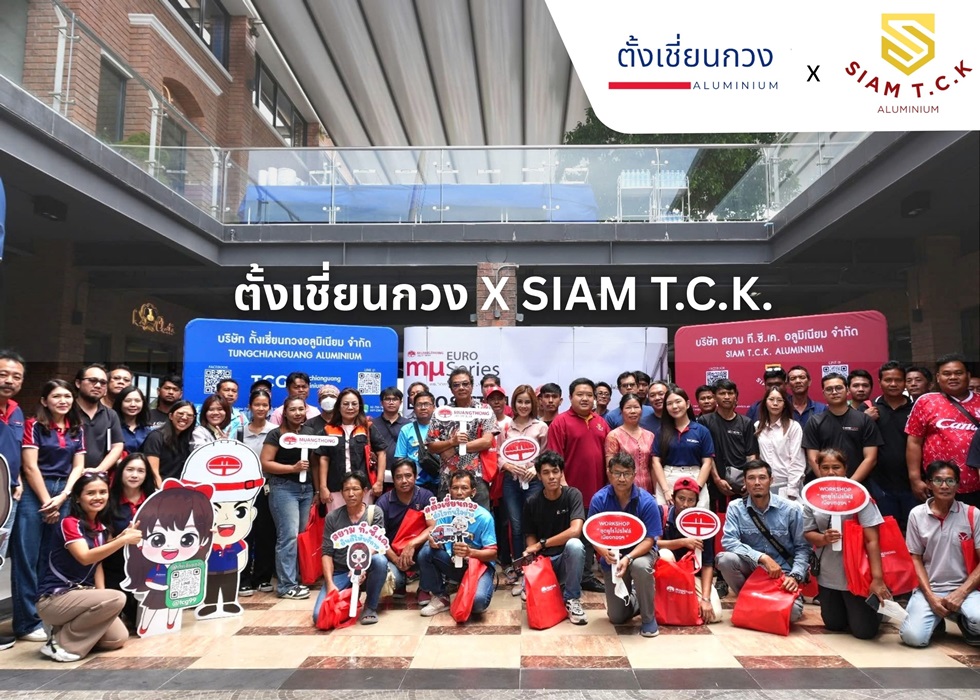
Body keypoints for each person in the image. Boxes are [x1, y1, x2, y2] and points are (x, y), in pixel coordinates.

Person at [35, 472, 143, 662]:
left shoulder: (102, 527)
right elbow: (85, 557)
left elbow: (97, 563)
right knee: (117, 597)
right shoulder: (70, 523)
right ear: (78, 498)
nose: (98, 497)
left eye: (103, 492)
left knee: (117, 638)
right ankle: (58, 643)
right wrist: (122, 540)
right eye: (90, 493)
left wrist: (103, 600)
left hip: (82, 597)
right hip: (54, 599)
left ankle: (64, 632)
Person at [11, 379, 87, 642]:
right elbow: (30, 466)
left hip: (63, 491)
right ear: (44, 400)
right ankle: (26, 622)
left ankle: (45, 615)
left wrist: (64, 496)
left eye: (67, 396)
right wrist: (47, 502)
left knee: (51, 557)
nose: (63, 401)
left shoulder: (77, 428)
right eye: (56, 396)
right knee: (27, 558)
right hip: (35, 492)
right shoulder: (33, 425)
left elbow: (78, 466)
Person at [803, 448, 890, 639]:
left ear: (845, 468)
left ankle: (878, 612)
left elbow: (872, 540)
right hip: (828, 573)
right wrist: (823, 538)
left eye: (836, 467)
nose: (831, 472)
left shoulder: (860, 496)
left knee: (864, 632)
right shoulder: (811, 497)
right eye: (825, 467)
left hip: (857, 573)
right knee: (834, 624)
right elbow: (808, 533)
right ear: (818, 469)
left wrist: (877, 579)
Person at [716, 459, 810, 624]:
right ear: (745, 482)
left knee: (793, 613)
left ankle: (755, 605)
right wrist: (762, 558)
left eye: (762, 477)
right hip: (752, 569)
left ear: (771, 480)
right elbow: (729, 541)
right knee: (725, 559)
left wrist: (795, 576)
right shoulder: (735, 507)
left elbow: (803, 548)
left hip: (782, 573)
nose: (757, 482)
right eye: (751, 478)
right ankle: (750, 599)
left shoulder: (791, 509)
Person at [900, 460, 980, 647]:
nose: (944, 486)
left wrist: (961, 592)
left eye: (950, 481)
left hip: (966, 589)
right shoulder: (917, 515)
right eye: (938, 480)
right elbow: (915, 558)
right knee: (913, 638)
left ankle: (964, 621)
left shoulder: (972, 514)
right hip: (931, 589)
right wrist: (931, 597)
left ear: (958, 485)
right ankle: (936, 619)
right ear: (929, 484)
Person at [122, 483, 214, 635]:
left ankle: (171, 623)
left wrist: (211, 535)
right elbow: (149, 581)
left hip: (175, 595)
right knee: (150, 609)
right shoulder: (156, 567)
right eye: (157, 539)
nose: (170, 547)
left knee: (174, 608)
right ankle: (145, 626)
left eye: (187, 539)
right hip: (156, 593)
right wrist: (162, 587)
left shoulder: (186, 566)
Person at [545, 378, 610, 593]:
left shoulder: (601, 422)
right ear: (570, 397)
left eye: (589, 395)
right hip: (571, 492)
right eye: (580, 394)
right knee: (573, 537)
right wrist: (565, 489)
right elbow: (554, 459)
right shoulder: (560, 422)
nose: (585, 398)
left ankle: (586, 577)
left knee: (591, 534)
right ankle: (567, 578)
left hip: (598, 491)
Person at [588, 452, 662, 637]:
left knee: (640, 566)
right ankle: (637, 597)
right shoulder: (599, 499)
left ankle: (648, 618)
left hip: (640, 553)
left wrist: (628, 557)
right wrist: (604, 552)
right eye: (617, 473)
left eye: (627, 473)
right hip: (612, 558)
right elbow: (592, 534)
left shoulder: (647, 501)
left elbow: (650, 539)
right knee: (617, 617)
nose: (621, 478)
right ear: (609, 473)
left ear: (634, 474)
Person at [416, 470, 497, 617]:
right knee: (426, 551)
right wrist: (434, 540)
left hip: (479, 567)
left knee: (477, 604)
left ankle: (476, 586)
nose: (459, 492)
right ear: (449, 490)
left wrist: (470, 552)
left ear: (473, 492)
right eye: (455, 488)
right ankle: (441, 596)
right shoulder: (444, 513)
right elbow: (437, 536)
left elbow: (492, 554)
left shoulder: (484, 517)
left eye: (464, 488)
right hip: (453, 563)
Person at [314, 471, 389, 625]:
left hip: (366, 568)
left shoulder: (374, 512)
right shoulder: (332, 517)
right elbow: (327, 553)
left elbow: (377, 544)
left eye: (355, 489)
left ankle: (370, 607)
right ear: (341, 493)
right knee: (319, 616)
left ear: (365, 491)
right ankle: (349, 597)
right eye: (347, 490)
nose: (351, 494)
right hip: (341, 571)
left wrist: (362, 566)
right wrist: (330, 584)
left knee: (380, 561)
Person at [522, 450, 588, 625]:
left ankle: (572, 599)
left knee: (575, 545)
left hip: (566, 559)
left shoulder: (573, 495)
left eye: (555, 471)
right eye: (546, 473)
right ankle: (534, 583)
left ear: (561, 473)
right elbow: (530, 535)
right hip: (544, 561)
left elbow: (575, 530)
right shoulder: (531, 502)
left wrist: (541, 544)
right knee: (530, 592)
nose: (551, 477)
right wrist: (533, 557)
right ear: (539, 476)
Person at [906, 354, 980, 507]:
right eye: (947, 373)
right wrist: (915, 479)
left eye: (958, 373)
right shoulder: (926, 402)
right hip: (938, 485)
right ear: (938, 377)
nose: (953, 377)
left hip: (976, 486)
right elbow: (914, 442)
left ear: (968, 375)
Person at [261, 396, 316, 600]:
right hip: (283, 489)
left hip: (307, 489)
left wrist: (317, 490)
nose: (297, 413)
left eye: (301, 409)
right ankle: (286, 586)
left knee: (300, 536)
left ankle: (297, 579)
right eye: (293, 409)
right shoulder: (276, 434)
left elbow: (315, 463)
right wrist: (292, 468)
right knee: (288, 537)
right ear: (284, 412)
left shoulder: (310, 432)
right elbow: (266, 462)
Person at [499, 385, 548, 594]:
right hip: (511, 482)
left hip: (534, 482)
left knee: (533, 525)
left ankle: (534, 569)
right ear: (514, 403)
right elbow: (497, 454)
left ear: (533, 404)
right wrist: (508, 466)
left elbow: (545, 455)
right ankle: (520, 570)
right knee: (516, 526)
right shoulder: (505, 427)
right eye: (520, 401)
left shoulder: (541, 427)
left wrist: (535, 469)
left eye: (527, 402)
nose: (524, 406)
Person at [426, 369, 495, 509]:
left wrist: (455, 448)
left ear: (472, 386)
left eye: (465, 384)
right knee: (447, 519)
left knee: (480, 519)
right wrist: (451, 442)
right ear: (451, 389)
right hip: (448, 479)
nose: (461, 387)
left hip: (476, 478)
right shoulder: (441, 413)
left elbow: (487, 441)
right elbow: (431, 446)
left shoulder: (484, 410)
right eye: (456, 385)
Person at [657, 477, 722, 623]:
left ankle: (685, 602)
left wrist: (705, 599)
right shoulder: (662, 513)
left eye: (691, 500)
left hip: (692, 576)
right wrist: (682, 542)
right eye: (681, 498)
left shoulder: (704, 522)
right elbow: (653, 544)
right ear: (673, 498)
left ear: (697, 502)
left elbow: (707, 564)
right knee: (664, 554)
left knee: (715, 615)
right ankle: (663, 600)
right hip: (666, 574)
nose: (685, 504)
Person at [103, 453, 156, 628]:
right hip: (115, 571)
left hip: (149, 572)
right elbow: (101, 547)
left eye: (140, 471)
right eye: (130, 469)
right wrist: (123, 538)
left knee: (143, 625)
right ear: (121, 472)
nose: (134, 475)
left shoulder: (155, 500)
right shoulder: (107, 501)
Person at [802, 373, 882, 483]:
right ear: (824, 394)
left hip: (858, 485)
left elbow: (870, 458)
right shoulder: (814, 422)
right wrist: (827, 482)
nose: (834, 392)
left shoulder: (864, 420)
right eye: (829, 389)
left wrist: (849, 485)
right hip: (825, 486)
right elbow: (813, 458)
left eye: (839, 388)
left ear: (847, 390)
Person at [317, 388, 387, 508]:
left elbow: (382, 453)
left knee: (363, 519)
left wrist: (379, 482)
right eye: (346, 404)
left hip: (363, 486)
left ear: (360, 406)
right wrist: (323, 487)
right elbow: (324, 458)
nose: (350, 407)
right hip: (335, 486)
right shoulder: (328, 429)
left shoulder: (367, 427)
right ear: (338, 406)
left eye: (354, 404)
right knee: (336, 519)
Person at [237, 389, 276, 596]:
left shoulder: (276, 431)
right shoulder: (239, 432)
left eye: (265, 405)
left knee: (266, 534)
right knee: (245, 534)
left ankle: (262, 577)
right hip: (243, 490)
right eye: (257, 405)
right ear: (250, 407)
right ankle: (243, 578)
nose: (261, 408)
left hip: (268, 488)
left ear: (269, 408)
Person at [378, 458, 435, 598]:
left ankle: (424, 588)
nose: (404, 481)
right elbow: (378, 538)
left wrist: (412, 544)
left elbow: (433, 526)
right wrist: (396, 560)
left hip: (418, 550)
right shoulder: (383, 502)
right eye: (399, 477)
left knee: (432, 544)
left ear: (415, 476)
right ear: (393, 479)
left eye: (408, 476)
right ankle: (400, 583)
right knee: (394, 580)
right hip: (393, 554)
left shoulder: (426, 496)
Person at [871, 362, 917, 531]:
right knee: (888, 534)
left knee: (915, 532)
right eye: (888, 380)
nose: (893, 384)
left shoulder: (916, 408)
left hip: (912, 485)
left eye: (898, 380)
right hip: (881, 486)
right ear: (880, 382)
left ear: (905, 382)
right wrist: (865, 420)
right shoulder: (869, 408)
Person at [651, 386, 714, 508]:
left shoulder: (702, 431)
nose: (674, 406)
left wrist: (697, 489)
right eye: (669, 403)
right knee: (665, 516)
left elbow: (707, 463)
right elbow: (655, 462)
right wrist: (665, 490)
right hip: (667, 479)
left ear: (688, 404)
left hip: (695, 478)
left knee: (697, 517)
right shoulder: (661, 431)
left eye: (678, 401)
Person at [699, 380, 757, 501]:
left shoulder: (746, 422)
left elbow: (751, 455)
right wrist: (717, 479)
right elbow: (707, 455)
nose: (726, 397)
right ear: (715, 397)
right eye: (722, 393)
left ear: (736, 397)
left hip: (741, 483)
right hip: (714, 482)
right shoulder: (705, 421)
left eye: (730, 393)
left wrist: (749, 479)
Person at [0, 349, 26, 577]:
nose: (9, 380)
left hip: (8, 495)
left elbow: (15, 449)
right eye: (3, 374)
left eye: (16, 377)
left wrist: (17, 479)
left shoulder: (16, 411)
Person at [754, 386, 805, 499]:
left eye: (779, 400)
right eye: (771, 399)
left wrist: (792, 489)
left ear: (785, 404)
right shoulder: (758, 426)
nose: (775, 403)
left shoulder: (793, 427)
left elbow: (797, 460)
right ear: (765, 402)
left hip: (787, 484)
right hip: (764, 484)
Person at [74, 365, 124, 474]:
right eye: (92, 380)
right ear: (78, 383)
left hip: (98, 478)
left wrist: (99, 470)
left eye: (103, 382)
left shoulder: (111, 415)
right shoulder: (67, 411)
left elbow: (117, 446)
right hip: (66, 476)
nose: (98, 385)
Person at [604, 393, 655, 493]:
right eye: (628, 408)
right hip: (623, 488)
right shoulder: (614, 436)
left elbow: (653, 466)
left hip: (647, 488)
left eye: (636, 407)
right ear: (621, 411)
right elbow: (610, 468)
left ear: (641, 410)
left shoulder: (650, 435)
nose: (633, 411)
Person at [142, 401, 196, 486]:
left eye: (189, 415)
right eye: (180, 413)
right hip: (158, 488)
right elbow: (154, 473)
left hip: (179, 488)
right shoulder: (156, 437)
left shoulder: (190, 440)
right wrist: (162, 490)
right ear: (171, 416)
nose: (184, 417)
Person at [395, 390, 438, 493]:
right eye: (419, 405)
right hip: (415, 485)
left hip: (439, 483)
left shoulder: (442, 428)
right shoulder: (406, 429)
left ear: (434, 407)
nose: (423, 408)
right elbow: (400, 459)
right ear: (414, 408)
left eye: (426, 404)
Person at [376, 386, 410, 477]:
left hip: (403, 473)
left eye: (395, 399)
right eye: (387, 399)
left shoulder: (409, 425)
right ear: (381, 402)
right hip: (378, 472)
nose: (391, 402)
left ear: (400, 402)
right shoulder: (372, 424)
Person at [113, 386, 153, 456]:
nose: (133, 404)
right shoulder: (112, 427)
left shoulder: (148, 430)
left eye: (137, 401)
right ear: (120, 403)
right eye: (128, 401)